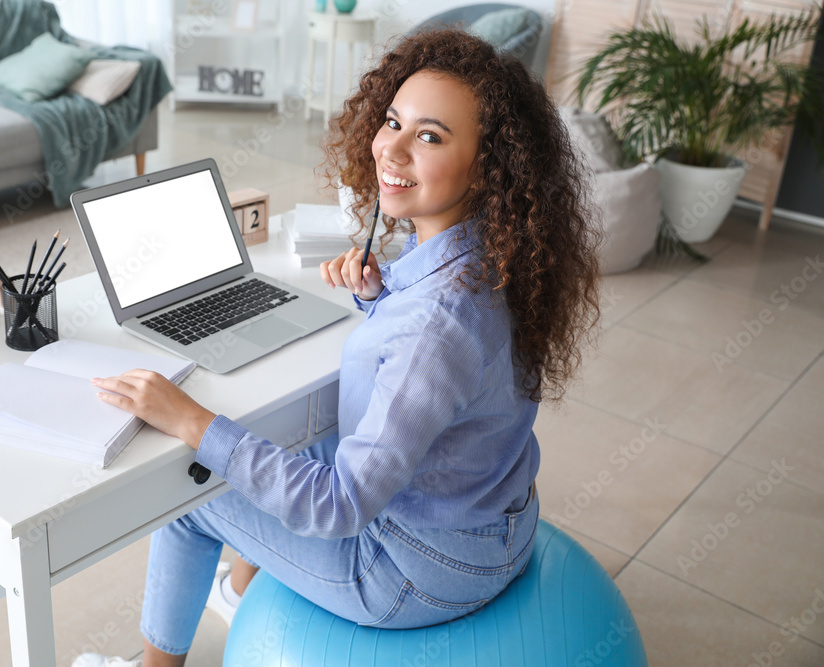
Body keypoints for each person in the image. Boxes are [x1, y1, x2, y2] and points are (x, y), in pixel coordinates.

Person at [75, 27, 600, 667]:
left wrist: (193, 421)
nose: (392, 149)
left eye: (430, 136)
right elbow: (448, 362)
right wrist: (381, 296)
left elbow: (343, 503)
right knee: (290, 438)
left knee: (193, 499)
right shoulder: (492, 261)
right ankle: (245, 589)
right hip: (495, 531)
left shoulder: (434, 325)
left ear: (489, 167)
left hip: (415, 574)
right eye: (392, 122)